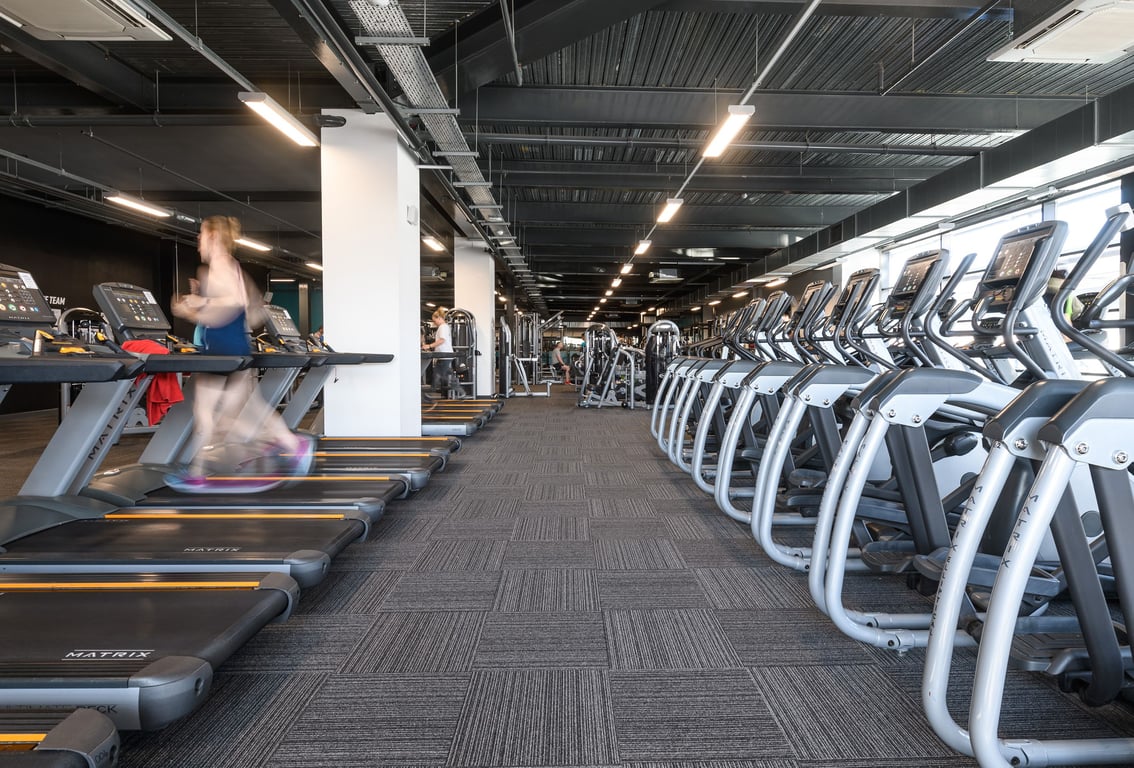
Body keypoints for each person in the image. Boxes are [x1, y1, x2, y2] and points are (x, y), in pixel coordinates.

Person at [168, 215, 313, 489]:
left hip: (220, 348)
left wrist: (200, 300)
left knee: (206, 413)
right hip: (234, 344)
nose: (198, 241)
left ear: (213, 237)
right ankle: (286, 443)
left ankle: (198, 473)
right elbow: (235, 310)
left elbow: (236, 301)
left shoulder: (219, 265)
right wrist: (190, 309)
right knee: (242, 410)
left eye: (201, 235)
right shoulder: (230, 266)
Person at [421, 307, 453, 394]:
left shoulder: (443, 327)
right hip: (443, 355)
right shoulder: (444, 327)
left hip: (444, 355)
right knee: (441, 375)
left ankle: (432, 396)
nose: (435, 323)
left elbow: (442, 340)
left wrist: (429, 346)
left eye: (435, 321)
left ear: (439, 318)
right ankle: (443, 395)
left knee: (437, 375)